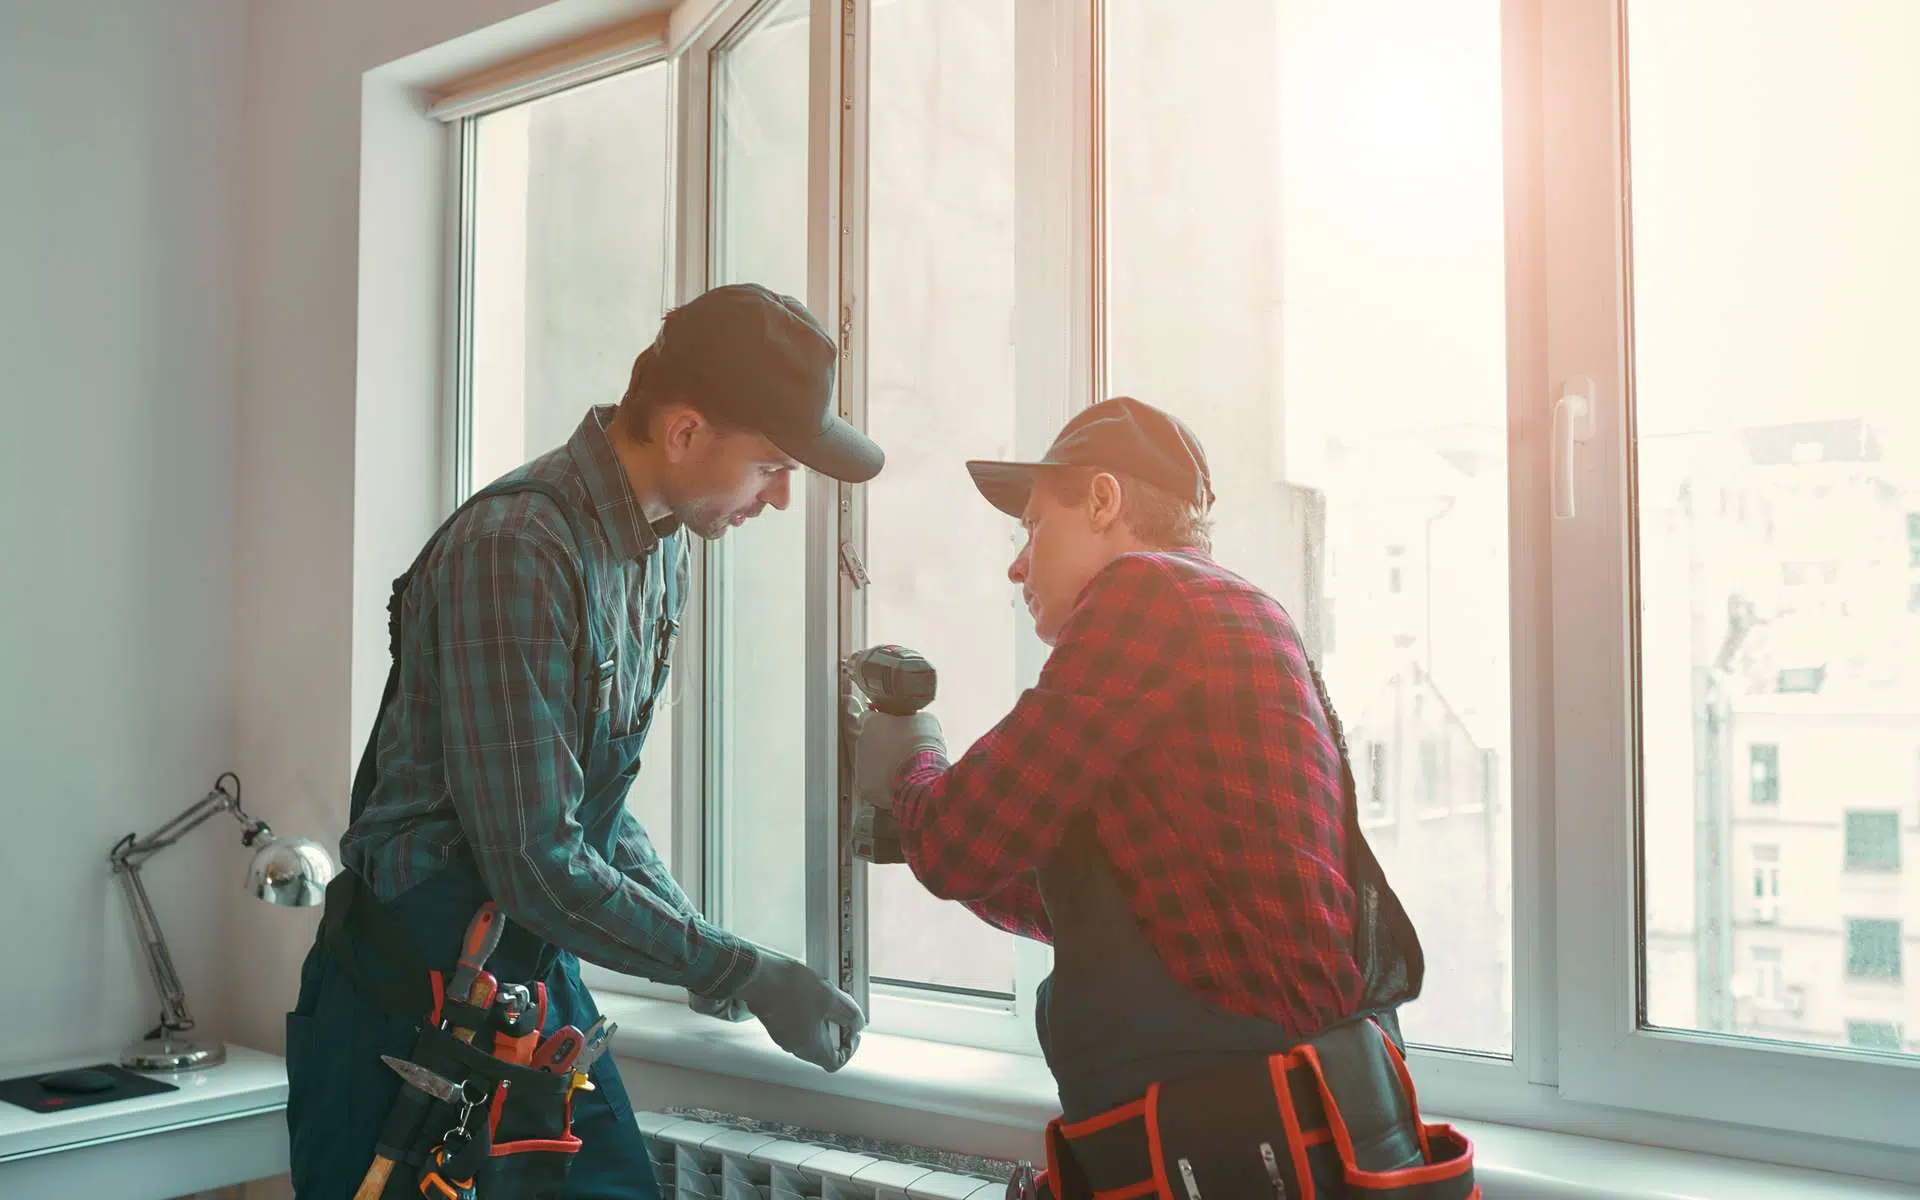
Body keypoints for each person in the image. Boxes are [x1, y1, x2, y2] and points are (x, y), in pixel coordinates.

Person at [287, 284, 874, 1199]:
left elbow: (590, 811)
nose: (783, 497)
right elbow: (537, 859)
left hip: (521, 976)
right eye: (770, 466)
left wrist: (698, 946)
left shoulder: (662, 546)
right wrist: (742, 969)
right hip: (408, 1003)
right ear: (684, 432)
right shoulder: (518, 547)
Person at [853, 397, 1474, 1199]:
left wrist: (912, 761)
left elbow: (962, 840)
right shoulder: (1246, 614)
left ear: (1105, 501)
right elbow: (1117, 906)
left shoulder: (1149, 594)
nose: (1017, 565)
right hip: (1297, 1119)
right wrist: (909, 827)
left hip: (1240, 1127)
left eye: (1034, 527)